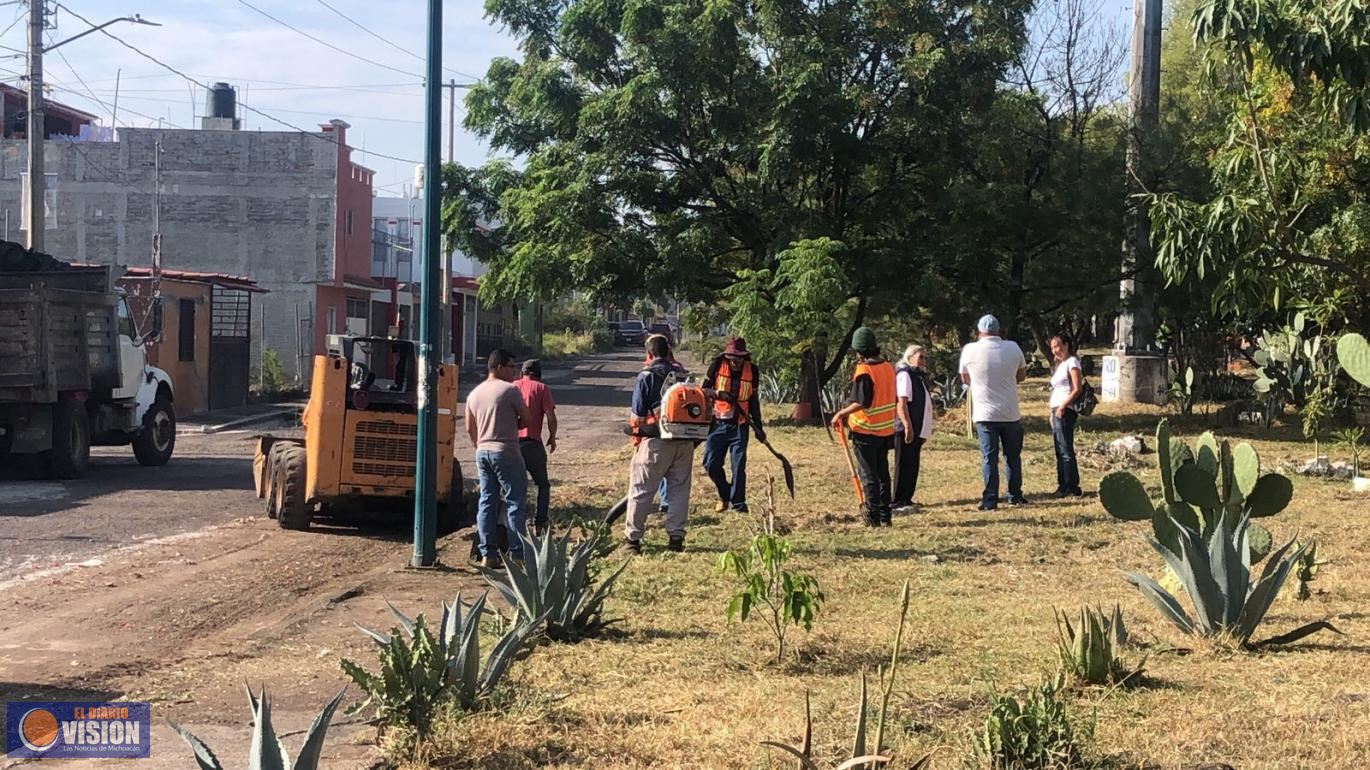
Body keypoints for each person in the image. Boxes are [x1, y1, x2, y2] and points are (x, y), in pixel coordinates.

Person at [623, 335, 697, 554]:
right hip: (684, 442)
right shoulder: (683, 376)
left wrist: (637, 441)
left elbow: (637, 415)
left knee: (641, 490)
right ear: (668, 351)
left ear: (649, 354)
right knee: (679, 491)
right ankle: (676, 539)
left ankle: (632, 541)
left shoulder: (646, 376)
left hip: (655, 441)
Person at [465, 349, 534, 568]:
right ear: (499, 367)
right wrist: (514, 426)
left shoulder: (473, 394)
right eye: (512, 367)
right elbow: (528, 418)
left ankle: (488, 554)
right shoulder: (510, 390)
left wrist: (480, 444)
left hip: (482, 451)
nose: (515, 372)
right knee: (515, 502)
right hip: (506, 451)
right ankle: (517, 554)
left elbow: (469, 428)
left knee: (487, 502)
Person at [959, 315, 1028, 511]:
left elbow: (965, 378)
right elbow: (1021, 376)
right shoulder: (1013, 347)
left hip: (984, 414)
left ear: (979, 331)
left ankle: (990, 499)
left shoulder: (970, 350)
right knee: (1013, 456)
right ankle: (1015, 495)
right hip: (1010, 412)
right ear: (999, 330)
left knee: (989, 457)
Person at [830, 327, 897, 527]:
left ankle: (872, 517)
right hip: (885, 430)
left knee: (869, 476)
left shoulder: (864, 371)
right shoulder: (888, 367)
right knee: (883, 474)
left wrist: (841, 413)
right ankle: (886, 517)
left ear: (859, 351)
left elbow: (862, 401)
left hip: (866, 430)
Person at [702, 337, 766, 513]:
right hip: (718, 424)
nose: (735, 362)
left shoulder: (752, 370)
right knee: (710, 463)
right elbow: (703, 390)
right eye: (732, 358)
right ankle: (725, 494)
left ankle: (739, 504)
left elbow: (753, 400)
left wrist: (759, 427)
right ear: (727, 356)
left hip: (740, 425)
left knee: (738, 466)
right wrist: (719, 394)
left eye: (738, 358)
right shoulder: (716, 365)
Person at [645, 334, 688, 513]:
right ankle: (668, 503)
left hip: (655, 429)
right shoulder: (680, 371)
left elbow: (639, 409)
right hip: (680, 429)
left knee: (652, 473)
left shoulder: (648, 373)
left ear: (651, 353)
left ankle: (662, 502)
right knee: (677, 475)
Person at [515, 359, 558, 536]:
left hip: (512, 444)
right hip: (532, 443)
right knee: (542, 485)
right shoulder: (541, 388)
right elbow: (551, 416)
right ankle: (540, 524)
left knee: (514, 486)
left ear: (521, 373)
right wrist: (552, 437)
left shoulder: (512, 386)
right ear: (539, 375)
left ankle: (513, 526)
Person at [892, 344, 933, 512]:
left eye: (925, 357)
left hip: (917, 428)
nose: (924, 360)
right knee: (903, 463)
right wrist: (907, 425)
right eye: (920, 357)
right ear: (910, 358)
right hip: (906, 427)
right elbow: (901, 403)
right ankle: (897, 500)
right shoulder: (905, 375)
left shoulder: (917, 377)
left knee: (912, 464)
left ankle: (907, 498)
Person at [1048, 334, 1084, 498]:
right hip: (1056, 409)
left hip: (1065, 409)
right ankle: (1062, 484)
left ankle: (1072, 485)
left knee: (1065, 448)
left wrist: (1063, 406)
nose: (1056, 350)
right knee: (1059, 448)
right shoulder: (1060, 364)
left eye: (1059, 346)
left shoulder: (1072, 362)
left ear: (1067, 345)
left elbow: (1077, 388)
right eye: (1053, 347)